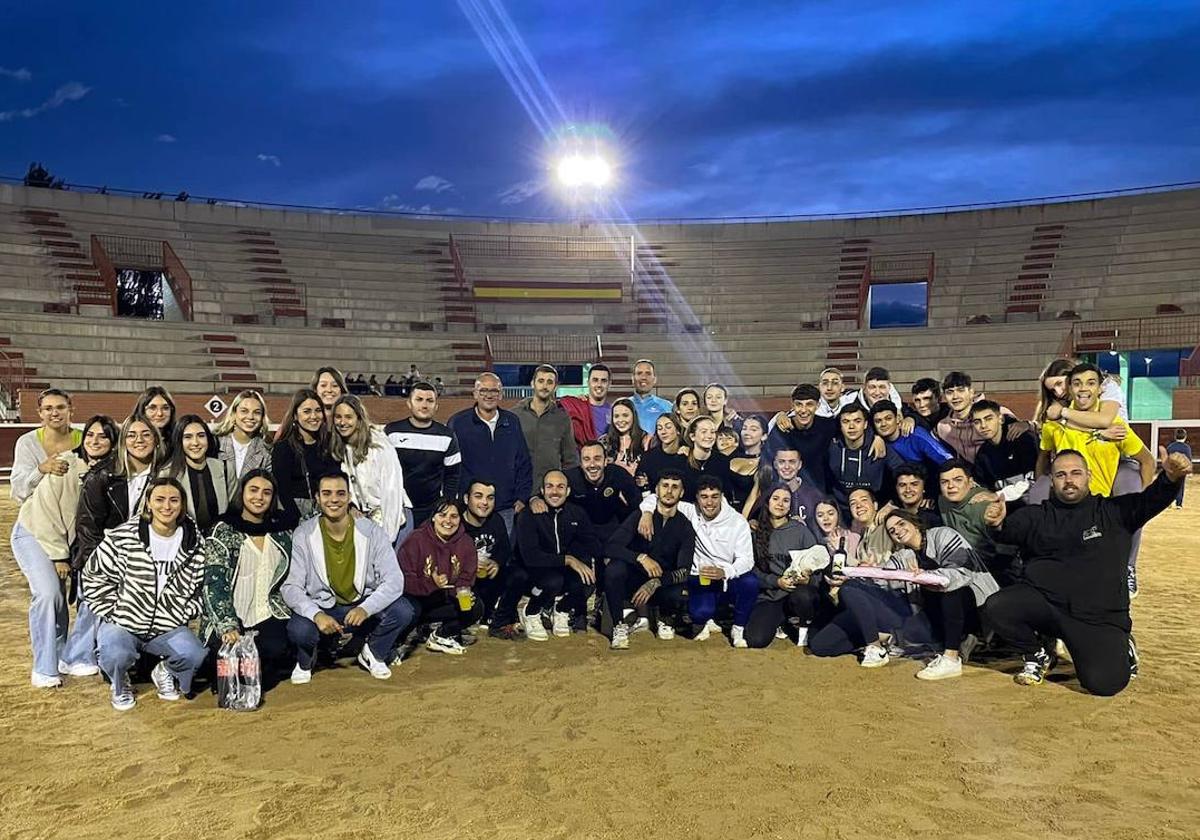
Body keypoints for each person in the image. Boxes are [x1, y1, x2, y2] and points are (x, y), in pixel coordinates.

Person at [983, 450, 1191, 695]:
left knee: (1104, 684)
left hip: (1097, 618)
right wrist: (996, 523)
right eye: (1061, 474)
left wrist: (1170, 479)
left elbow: (1151, 500)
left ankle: (1122, 646)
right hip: (1047, 606)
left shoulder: (1115, 512)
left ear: (1089, 476)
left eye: (1076, 473)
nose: (1069, 480)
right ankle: (1037, 653)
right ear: (1052, 480)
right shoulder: (1036, 516)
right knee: (998, 606)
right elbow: (1008, 531)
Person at [82, 477, 208, 711]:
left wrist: (187, 609)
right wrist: (113, 609)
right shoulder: (124, 537)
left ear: (182, 505)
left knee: (194, 655)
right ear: (148, 503)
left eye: (174, 500)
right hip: (125, 622)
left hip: (168, 625)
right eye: (159, 500)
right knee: (114, 653)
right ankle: (120, 685)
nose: (166, 507)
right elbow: (93, 575)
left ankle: (164, 672)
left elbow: (202, 586)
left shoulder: (194, 543)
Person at [12, 415, 116, 687]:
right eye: (90, 435)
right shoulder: (66, 463)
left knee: (90, 590)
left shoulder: (113, 470)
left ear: (113, 441)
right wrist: (59, 556)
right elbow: (46, 512)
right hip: (35, 533)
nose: (95, 441)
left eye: (103, 436)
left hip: (73, 543)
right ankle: (44, 668)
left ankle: (72, 655)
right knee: (48, 594)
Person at [282, 471, 415, 683]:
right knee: (299, 630)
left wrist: (366, 608)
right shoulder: (303, 534)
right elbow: (291, 587)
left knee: (404, 610)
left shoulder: (372, 532)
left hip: (360, 606)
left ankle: (373, 652)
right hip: (324, 607)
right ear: (317, 498)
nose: (333, 499)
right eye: (326, 493)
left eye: (340, 493)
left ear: (349, 497)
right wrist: (316, 614)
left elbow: (394, 580)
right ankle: (307, 658)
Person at [1037, 362, 1155, 594]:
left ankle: (1128, 567)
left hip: (1107, 491)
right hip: (1076, 502)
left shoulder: (1113, 422)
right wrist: (1041, 482)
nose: (1082, 389)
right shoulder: (1055, 424)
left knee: (1131, 502)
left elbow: (1147, 460)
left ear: (1100, 387)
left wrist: (1145, 502)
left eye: (1090, 383)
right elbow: (1043, 456)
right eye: (1077, 384)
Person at [200, 470, 295, 691]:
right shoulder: (222, 530)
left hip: (268, 613)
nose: (259, 497)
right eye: (253, 490)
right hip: (231, 617)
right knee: (227, 663)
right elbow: (214, 583)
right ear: (242, 493)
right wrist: (228, 625)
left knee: (275, 651)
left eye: (266, 493)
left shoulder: (281, 532)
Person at [637, 475, 757, 647]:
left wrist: (725, 571)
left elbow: (746, 560)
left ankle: (738, 628)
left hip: (726, 577)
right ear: (697, 499)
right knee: (700, 613)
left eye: (715, 497)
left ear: (722, 497)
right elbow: (656, 498)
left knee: (750, 582)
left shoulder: (737, 522)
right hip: (701, 578)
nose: (710, 503)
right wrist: (647, 513)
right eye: (704, 497)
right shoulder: (690, 511)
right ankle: (710, 616)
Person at [884, 511, 998, 680]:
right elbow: (883, 575)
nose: (897, 531)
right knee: (911, 616)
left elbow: (961, 573)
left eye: (901, 524)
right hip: (943, 615)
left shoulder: (944, 534)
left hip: (979, 605)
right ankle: (953, 644)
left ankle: (951, 658)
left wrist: (927, 575)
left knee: (950, 590)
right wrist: (858, 572)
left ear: (914, 523)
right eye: (892, 531)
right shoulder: (904, 556)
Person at [499, 470, 601, 641]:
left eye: (560, 487)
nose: (555, 491)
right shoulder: (528, 515)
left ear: (568, 491)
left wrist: (598, 564)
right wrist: (568, 560)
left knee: (588, 578)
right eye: (550, 486)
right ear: (542, 490)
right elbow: (531, 558)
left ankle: (561, 610)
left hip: (560, 569)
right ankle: (530, 611)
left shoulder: (576, 513)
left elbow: (593, 545)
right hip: (533, 573)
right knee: (553, 580)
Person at [603, 470, 695, 649]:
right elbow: (611, 547)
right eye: (665, 486)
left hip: (661, 583)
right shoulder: (640, 516)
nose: (669, 491)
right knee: (615, 569)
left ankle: (664, 617)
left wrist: (656, 583)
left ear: (682, 493)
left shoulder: (685, 527)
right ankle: (618, 625)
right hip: (634, 577)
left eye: (675, 487)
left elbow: (685, 570)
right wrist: (641, 558)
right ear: (657, 490)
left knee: (680, 591)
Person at [448, 372, 533, 538]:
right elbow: (450, 466)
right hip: (469, 508)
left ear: (500, 394)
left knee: (501, 557)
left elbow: (523, 461)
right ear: (475, 393)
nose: (488, 395)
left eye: (494, 391)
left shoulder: (512, 421)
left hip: (505, 506)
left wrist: (522, 497)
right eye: (483, 390)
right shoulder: (458, 423)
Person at [74, 415, 165, 573]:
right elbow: (88, 530)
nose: (139, 440)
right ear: (123, 441)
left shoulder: (167, 475)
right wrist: (99, 569)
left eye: (146, 434)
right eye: (131, 435)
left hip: (151, 563)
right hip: (106, 560)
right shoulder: (100, 476)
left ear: (156, 440)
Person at [396, 497, 480, 657]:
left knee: (475, 606)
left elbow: (465, 579)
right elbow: (404, 581)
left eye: (454, 516)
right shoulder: (415, 540)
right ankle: (397, 641)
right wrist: (430, 583)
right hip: (417, 600)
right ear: (433, 517)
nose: (448, 521)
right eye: (442, 515)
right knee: (407, 610)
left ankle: (442, 634)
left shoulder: (466, 543)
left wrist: (462, 593)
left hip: (445, 599)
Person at [744, 484, 823, 649]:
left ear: (790, 506)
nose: (780, 504)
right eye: (776, 499)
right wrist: (775, 581)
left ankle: (803, 625)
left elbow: (818, 565)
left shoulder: (801, 531)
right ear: (767, 502)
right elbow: (750, 569)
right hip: (772, 595)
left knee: (804, 596)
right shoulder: (755, 531)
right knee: (755, 640)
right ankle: (781, 621)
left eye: (786, 500)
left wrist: (808, 579)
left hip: (798, 593)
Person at [330, 395, 411, 546]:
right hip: (369, 521)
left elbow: (391, 493)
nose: (342, 422)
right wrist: (352, 506)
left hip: (395, 521)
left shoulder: (379, 446)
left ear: (359, 419)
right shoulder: (343, 447)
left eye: (348, 417)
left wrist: (387, 539)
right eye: (338, 417)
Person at [386, 381, 462, 526]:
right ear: (409, 403)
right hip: (398, 508)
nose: (424, 405)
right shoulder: (392, 432)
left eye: (430, 400)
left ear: (436, 406)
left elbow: (453, 475)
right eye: (419, 400)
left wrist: (445, 506)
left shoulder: (447, 436)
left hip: (432, 510)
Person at [271, 388, 339, 524]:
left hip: (330, 513)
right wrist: (299, 521)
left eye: (318, 410)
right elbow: (283, 491)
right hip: (296, 517)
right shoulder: (283, 448)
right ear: (295, 416)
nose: (313, 416)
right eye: (307, 411)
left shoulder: (331, 443)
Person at [161, 414, 233, 533]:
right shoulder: (167, 474)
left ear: (208, 439)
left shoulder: (224, 468)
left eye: (201, 436)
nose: (195, 442)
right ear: (179, 441)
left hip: (218, 540)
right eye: (188, 437)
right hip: (183, 541)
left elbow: (234, 509)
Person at [10, 388, 82, 506]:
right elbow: (18, 491)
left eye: (60, 407)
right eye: (48, 408)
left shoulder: (86, 439)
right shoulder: (27, 442)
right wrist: (40, 470)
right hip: (38, 513)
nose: (54, 413)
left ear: (71, 410)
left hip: (78, 512)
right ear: (40, 413)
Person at [936, 372, 1025, 464]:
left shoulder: (995, 413)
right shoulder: (943, 427)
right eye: (949, 392)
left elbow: (1025, 432)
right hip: (975, 474)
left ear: (971, 392)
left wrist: (1027, 424)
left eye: (961, 390)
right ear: (945, 397)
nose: (955, 396)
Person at [512, 364, 579, 485]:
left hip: (551, 490)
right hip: (519, 488)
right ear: (532, 384)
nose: (544, 386)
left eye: (549, 382)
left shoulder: (562, 418)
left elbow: (570, 458)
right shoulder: (515, 415)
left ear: (555, 387)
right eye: (541, 381)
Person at [460, 479, 513, 632]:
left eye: (490, 498)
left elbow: (505, 550)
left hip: (487, 579)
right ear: (466, 499)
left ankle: (495, 613)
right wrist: (469, 566)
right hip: (461, 582)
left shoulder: (496, 520)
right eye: (478, 496)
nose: (485, 502)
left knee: (515, 573)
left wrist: (496, 562)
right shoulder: (456, 523)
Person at [828, 403, 898, 517]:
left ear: (865, 424)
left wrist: (892, 503)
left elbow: (902, 472)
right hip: (840, 512)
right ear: (840, 426)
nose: (851, 426)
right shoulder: (832, 447)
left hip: (875, 511)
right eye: (846, 422)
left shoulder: (879, 446)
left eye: (857, 421)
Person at [971, 399, 1039, 502]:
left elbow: (1033, 481)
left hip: (1034, 504)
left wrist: (997, 495)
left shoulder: (1023, 440)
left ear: (1001, 419)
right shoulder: (982, 455)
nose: (983, 426)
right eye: (977, 422)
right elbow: (984, 489)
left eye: (988, 419)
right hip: (1004, 509)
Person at [870, 400, 953, 475]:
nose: (883, 424)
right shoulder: (875, 441)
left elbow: (947, 460)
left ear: (898, 418)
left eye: (888, 418)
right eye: (878, 421)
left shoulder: (915, 434)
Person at [213, 389, 272, 485]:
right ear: (234, 414)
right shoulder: (215, 444)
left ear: (262, 418)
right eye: (244, 411)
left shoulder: (266, 451)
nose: (250, 417)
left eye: (257, 412)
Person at [560, 363, 613, 447]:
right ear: (588, 382)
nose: (599, 385)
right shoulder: (576, 406)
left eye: (603, 381)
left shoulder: (614, 411)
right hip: (581, 457)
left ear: (609, 384)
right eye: (595, 380)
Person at [877, 465, 942, 528]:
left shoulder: (936, 513)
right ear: (896, 488)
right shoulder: (889, 512)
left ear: (924, 487)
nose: (908, 490)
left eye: (914, 484)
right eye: (902, 485)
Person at [635, 413, 687, 493]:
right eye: (660, 428)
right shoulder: (648, 457)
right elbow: (640, 484)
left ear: (678, 431)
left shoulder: (687, 455)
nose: (663, 432)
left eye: (668, 427)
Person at [601, 397, 651, 477]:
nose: (620, 420)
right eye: (616, 416)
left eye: (625, 415)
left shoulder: (647, 440)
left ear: (633, 416)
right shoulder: (604, 441)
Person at [131, 386, 178, 456]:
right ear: (142, 411)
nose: (160, 413)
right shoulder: (130, 440)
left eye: (165, 408)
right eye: (152, 408)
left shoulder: (179, 439)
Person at [813, 497, 861, 562]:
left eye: (830, 514)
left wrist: (839, 549)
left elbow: (858, 566)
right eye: (820, 515)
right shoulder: (815, 543)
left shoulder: (853, 537)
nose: (826, 518)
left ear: (838, 514)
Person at [630, 359, 672, 431]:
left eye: (648, 373)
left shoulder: (667, 406)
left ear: (654, 379)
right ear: (632, 379)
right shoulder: (624, 405)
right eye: (639, 373)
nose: (643, 377)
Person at [1164, 429, 1192, 509]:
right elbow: (1188, 459)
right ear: (1185, 437)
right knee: (1180, 486)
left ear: (1175, 436)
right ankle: (1179, 504)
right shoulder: (1187, 448)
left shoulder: (1170, 446)